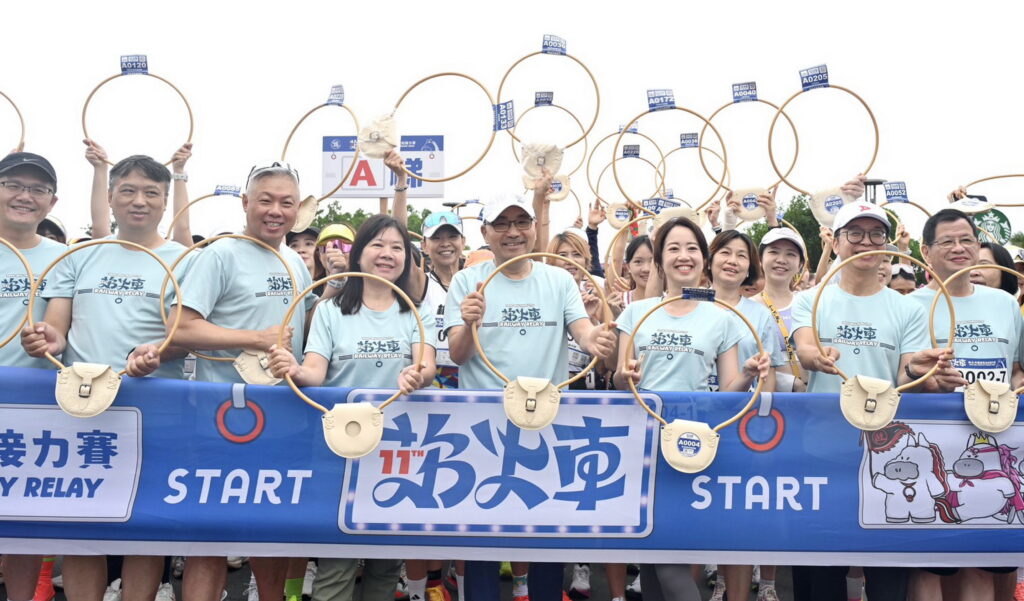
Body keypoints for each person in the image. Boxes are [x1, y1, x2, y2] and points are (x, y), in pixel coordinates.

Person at [21, 154, 192, 601]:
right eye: (129, 191)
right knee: (83, 523)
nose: (140, 201)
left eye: (152, 193)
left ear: (165, 201)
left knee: (145, 522)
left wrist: (157, 352)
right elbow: (59, 327)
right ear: (111, 197)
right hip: (82, 403)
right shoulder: (80, 255)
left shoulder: (186, 259)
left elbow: (183, 333)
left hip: (155, 404)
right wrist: (45, 338)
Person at [443, 188, 617, 601]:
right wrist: (469, 323)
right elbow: (457, 353)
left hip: (545, 422)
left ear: (535, 228)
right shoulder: (469, 280)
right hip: (483, 429)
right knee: (483, 537)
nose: (513, 232)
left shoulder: (558, 280)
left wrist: (598, 341)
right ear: (485, 231)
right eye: (501, 224)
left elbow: (583, 332)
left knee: (543, 535)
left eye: (521, 222)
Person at [790, 201, 963, 601]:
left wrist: (920, 370)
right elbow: (806, 350)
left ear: (886, 245)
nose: (865, 242)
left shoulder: (907, 308)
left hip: (886, 451)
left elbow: (905, 376)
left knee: (886, 572)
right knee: (820, 569)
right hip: (821, 449)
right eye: (854, 233)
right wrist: (817, 357)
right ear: (834, 242)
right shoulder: (811, 299)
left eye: (875, 234)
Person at [167, 162, 316, 601]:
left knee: (271, 532)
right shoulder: (219, 254)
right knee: (211, 536)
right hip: (222, 419)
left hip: (284, 418)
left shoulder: (295, 262)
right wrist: (254, 338)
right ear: (245, 203)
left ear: (297, 210)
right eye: (265, 200)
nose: (275, 211)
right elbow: (181, 329)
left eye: (286, 202)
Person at [268, 214, 436, 601]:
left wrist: (418, 375)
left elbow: (424, 365)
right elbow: (314, 371)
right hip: (339, 447)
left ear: (407, 259)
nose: (387, 254)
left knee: (385, 561)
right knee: (336, 562)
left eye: (397, 247)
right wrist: (294, 369)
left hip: (397, 447)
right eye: (377, 244)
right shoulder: (330, 311)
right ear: (359, 253)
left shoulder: (415, 311)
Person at [614, 216, 769, 601]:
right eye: (673, 248)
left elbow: (730, 389)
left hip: (694, 442)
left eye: (692, 248)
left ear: (703, 258)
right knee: (651, 551)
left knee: (673, 553)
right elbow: (619, 379)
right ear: (659, 259)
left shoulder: (721, 317)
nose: (684, 256)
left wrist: (749, 373)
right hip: (643, 440)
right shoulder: (635, 312)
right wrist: (625, 375)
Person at [906, 208, 1022, 601]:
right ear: (925, 251)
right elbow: (901, 377)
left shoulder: (1004, 303)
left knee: (983, 560)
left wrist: (1011, 391)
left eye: (967, 240)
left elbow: (1018, 369)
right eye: (947, 242)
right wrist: (929, 381)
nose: (959, 249)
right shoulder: (908, 305)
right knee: (930, 563)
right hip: (929, 446)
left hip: (995, 444)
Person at [0, 152, 64, 601]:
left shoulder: (65, 256)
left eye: (37, 189)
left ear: (52, 201)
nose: (25, 196)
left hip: (34, 408)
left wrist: (49, 340)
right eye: (13, 184)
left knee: (21, 526)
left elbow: (58, 327)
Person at [754, 227, 808, 393]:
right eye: (774, 252)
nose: (781, 260)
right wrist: (789, 383)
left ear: (800, 264)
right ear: (760, 260)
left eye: (790, 254)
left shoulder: (809, 303)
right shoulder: (747, 307)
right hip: (769, 400)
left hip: (811, 397)